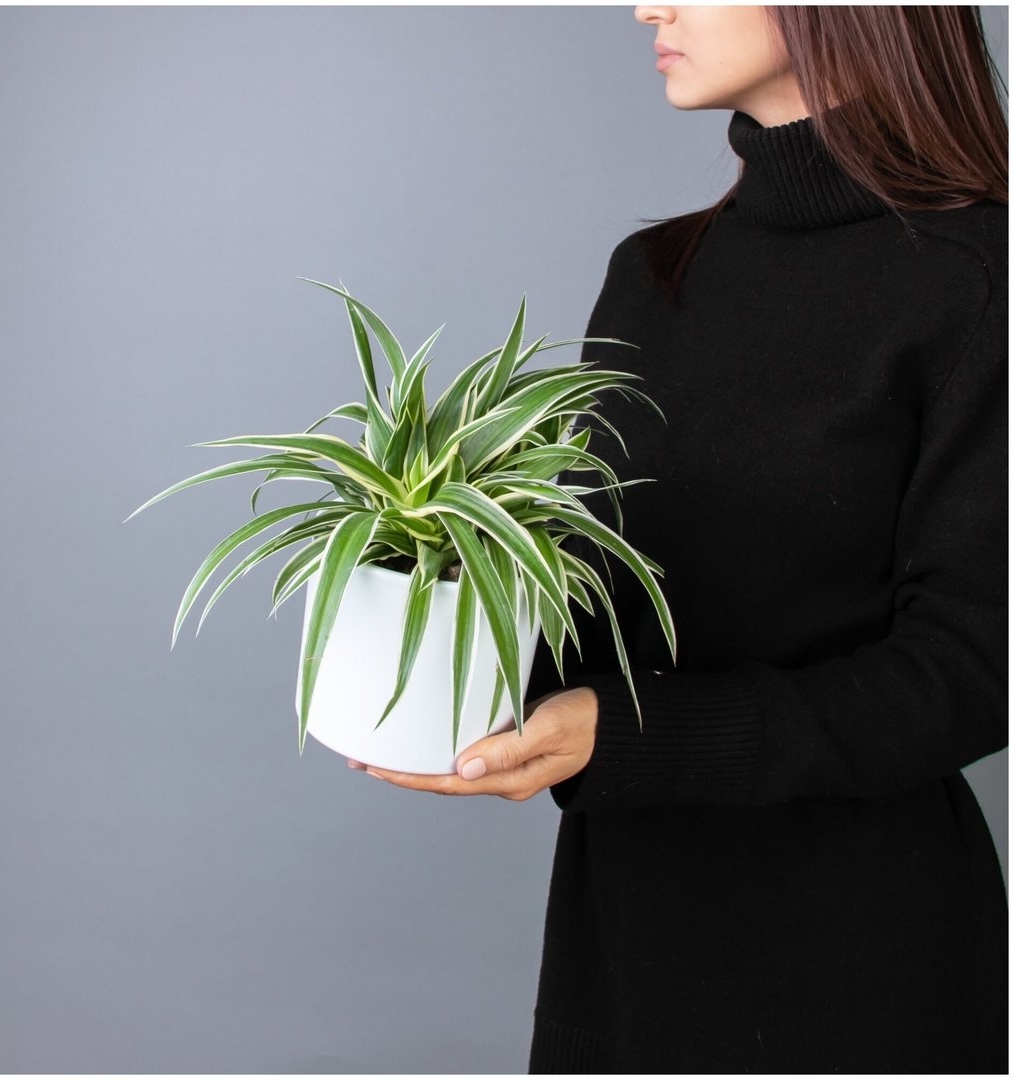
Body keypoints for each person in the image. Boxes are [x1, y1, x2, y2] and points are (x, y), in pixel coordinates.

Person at [351, 5, 1008, 1072]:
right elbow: (594, 601)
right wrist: (427, 636)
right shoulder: (655, 273)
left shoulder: (979, 279)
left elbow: (973, 671)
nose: (647, 6)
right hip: (624, 944)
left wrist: (627, 738)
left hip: (862, 973)